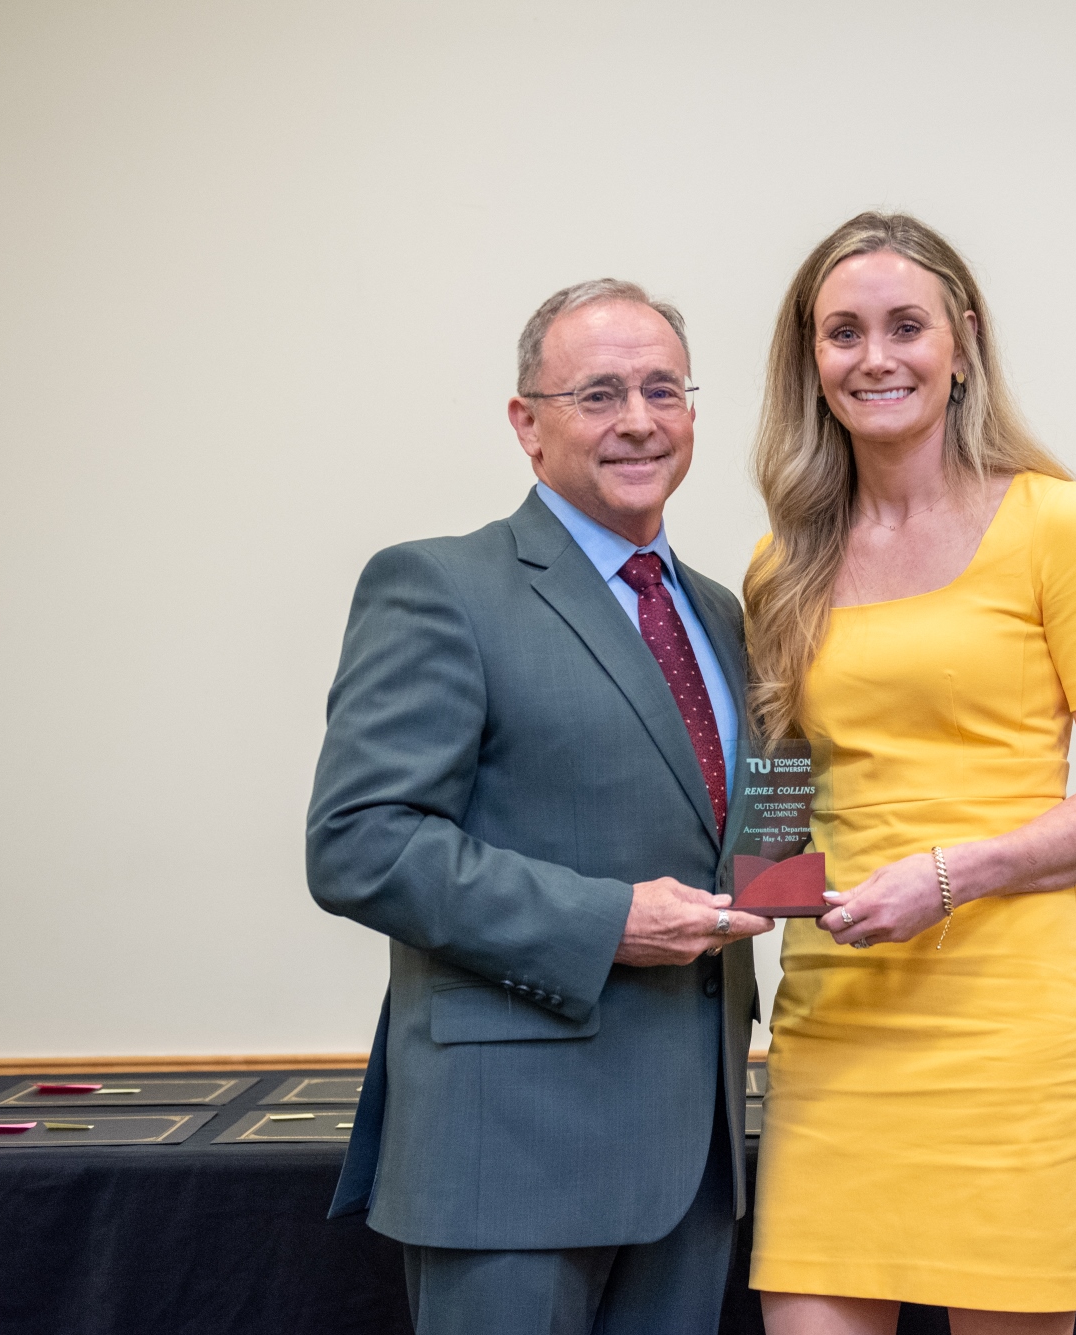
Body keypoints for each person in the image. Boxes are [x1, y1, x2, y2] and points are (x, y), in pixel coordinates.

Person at [307, 278, 773, 1335]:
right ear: (527, 423)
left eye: (663, 389)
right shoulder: (439, 586)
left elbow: (737, 827)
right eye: (598, 394)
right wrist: (606, 924)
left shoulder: (719, 612)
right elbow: (358, 844)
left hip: (694, 1161)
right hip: (509, 1154)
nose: (639, 420)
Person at [743, 214, 1076, 1335]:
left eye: (904, 326)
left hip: (1005, 1023)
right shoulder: (781, 560)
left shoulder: (1055, 524)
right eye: (841, 332)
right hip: (835, 1019)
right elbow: (779, 797)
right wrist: (740, 900)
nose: (873, 356)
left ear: (962, 343)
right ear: (811, 359)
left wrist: (949, 874)